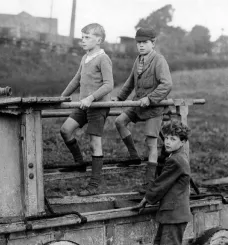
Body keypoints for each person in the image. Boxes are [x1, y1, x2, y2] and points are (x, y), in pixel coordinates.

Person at [133, 120, 192, 245]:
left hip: (174, 214)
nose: (167, 142)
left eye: (173, 139)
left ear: (182, 142)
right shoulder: (176, 157)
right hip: (171, 213)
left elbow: (160, 184)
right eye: (166, 137)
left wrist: (146, 199)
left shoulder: (175, 160)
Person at [114, 27, 172, 193]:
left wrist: (150, 98)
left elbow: (167, 84)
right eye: (138, 42)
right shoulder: (138, 60)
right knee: (119, 121)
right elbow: (130, 82)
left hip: (153, 108)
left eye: (144, 42)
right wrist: (119, 99)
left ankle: (149, 182)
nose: (140, 46)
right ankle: (133, 156)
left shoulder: (159, 60)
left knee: (151, 144)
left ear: (153, 43)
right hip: (138, 104)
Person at [60, 23, 114, 196]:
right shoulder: (85, 57)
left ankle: (94, 184)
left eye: (87, 37)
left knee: (94, 144)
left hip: (98, 106)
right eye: (82, 37)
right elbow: (76, 80)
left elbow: (109, 85)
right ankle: (79, 163)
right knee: (65, 130)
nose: (82, 41)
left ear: (98, 40)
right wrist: (61, 97)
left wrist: (91, 98)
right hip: (83, 105)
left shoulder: (103, 58)